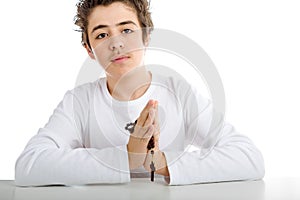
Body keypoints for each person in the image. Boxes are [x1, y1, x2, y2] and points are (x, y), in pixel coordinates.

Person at [15, 0, 265, 186]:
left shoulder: (178, 92)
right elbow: (28, 166)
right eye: (101, 35)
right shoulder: (79, 102)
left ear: (146, 35)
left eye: (126, 30)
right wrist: (127, 158)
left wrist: (162, 162)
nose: (116, 43)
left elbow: (249, 158)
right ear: (89, 50)